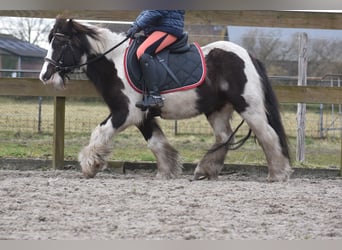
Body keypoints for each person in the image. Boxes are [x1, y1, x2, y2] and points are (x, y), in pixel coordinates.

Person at [126, 10, 185, 110]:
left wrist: (138, 26)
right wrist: (135, 25)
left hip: (168, 28)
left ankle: (155, 96)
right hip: (157, 28)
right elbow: (147, 11)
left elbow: (156, 10)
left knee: (142, 51)